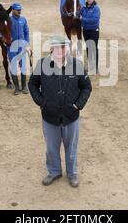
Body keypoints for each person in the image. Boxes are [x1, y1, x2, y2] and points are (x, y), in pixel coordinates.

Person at [28, 35, 92, 188]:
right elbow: (32, 84)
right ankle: (54, 171)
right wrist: (42, 102)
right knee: (51, 147)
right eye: (57, 47)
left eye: (63, 47)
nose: (60, 50)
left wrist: (78, 105)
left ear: (68, 48)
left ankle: (72, 173)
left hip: (71, 116)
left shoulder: (77, 65)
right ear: (51, 48)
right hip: (49, 116)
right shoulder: (42, 64)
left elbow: (86, 87)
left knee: (71, 147)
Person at [8, 3, 32, 95]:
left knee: (23, 66)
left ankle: (24, 86)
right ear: (13, 10)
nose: (19, 11)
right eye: (17, 9)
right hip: (12, 47)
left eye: (20, 9)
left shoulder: (23, 20)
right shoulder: (9, 20)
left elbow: (26, 32)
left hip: (22, 46)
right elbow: (4, 32)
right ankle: (17, 88)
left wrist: (27, 44)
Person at [80, 0, 101, 74]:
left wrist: (83, 19)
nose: (88, 0)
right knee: (88, 48)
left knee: (94, 48)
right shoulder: (84, 8)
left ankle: (95, 68)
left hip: (94, 31)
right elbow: (79, 14)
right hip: (85, 31)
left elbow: (94, 20)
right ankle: (90, 66)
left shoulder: (96, 9)